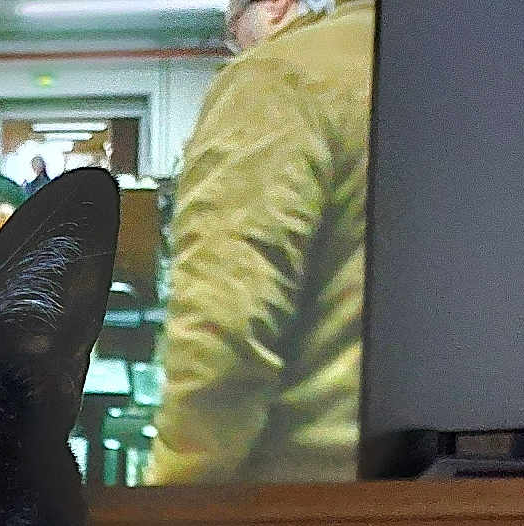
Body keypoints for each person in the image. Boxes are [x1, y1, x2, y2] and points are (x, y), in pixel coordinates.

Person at [145, 0, 375, 486]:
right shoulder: (482, 80)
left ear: (274, 7)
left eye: (234, 36)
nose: (236, 52)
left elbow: (225, 334)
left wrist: (165, 515)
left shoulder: (278, 79)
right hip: (464, 504)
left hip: (300, 509)